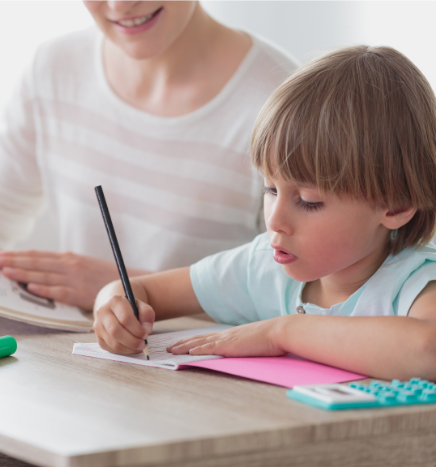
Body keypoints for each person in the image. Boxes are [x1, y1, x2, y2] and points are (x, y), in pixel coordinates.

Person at [92, 46, 436, 380]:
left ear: (397, 205)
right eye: (271, 189)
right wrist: (114, 309)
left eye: (308, 201)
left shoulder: (416, 284)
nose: (274, 221)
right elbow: (139, 291)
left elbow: (427, 351)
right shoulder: (263, 267)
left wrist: (282, 332)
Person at [0, 1, 298, 310]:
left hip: (205, 379)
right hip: (81, 364)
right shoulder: (54, 69)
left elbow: (305, 296)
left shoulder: (284, 103)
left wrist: (126, 287)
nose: (120, 5)